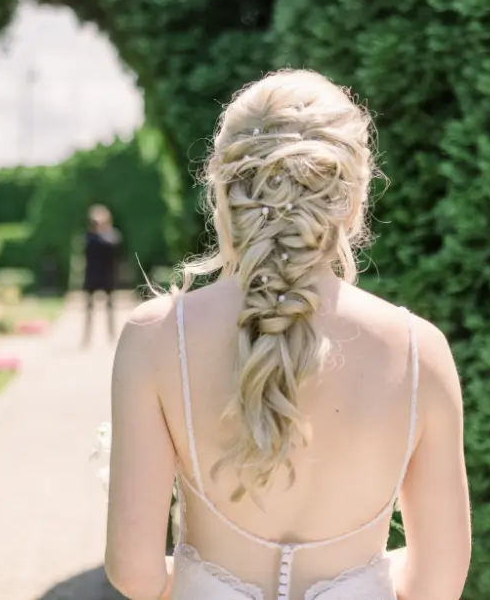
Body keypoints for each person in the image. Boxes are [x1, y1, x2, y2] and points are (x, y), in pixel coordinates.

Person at [104, 70, 471, 600]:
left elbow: (134, 572)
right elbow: (438, 584)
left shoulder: (157, 338)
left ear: (223, 191)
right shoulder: (420, 352)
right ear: (352, 197)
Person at [81, 204, 121, 347]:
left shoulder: (111, 236)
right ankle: (87, 337)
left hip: (107, 276)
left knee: (110, 307)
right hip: (93, 276)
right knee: (89, 308)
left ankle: (112, 335)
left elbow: (113, 246)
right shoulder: (89, 237)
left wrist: (103, 232)